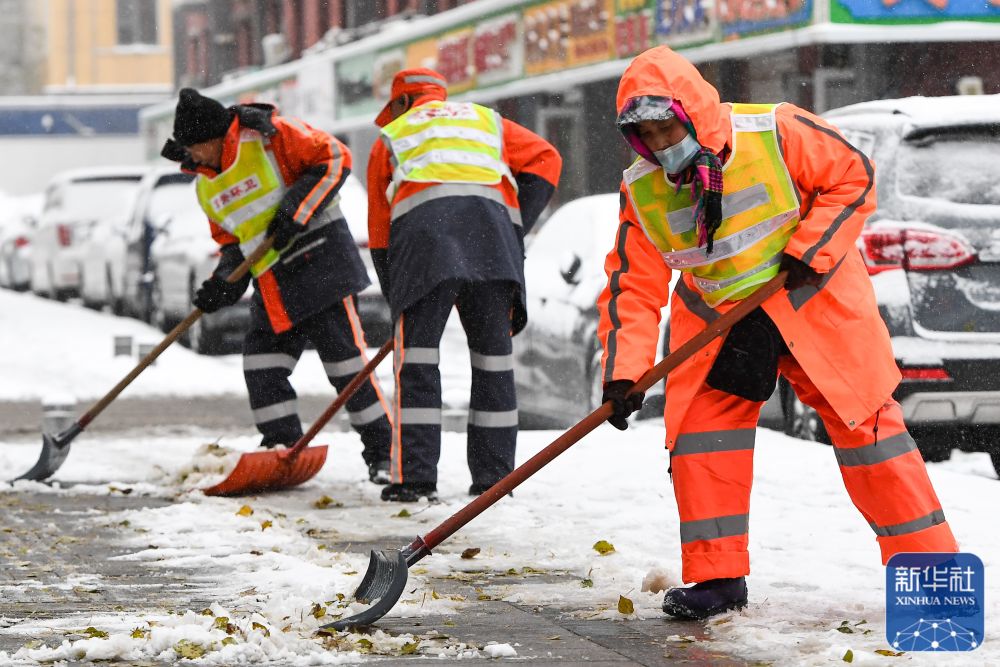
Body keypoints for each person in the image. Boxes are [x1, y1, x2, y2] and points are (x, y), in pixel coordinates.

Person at [598, 46, 959, 620]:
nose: (662, 143)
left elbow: (853, 177)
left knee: (870, 433)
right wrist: (623, 374)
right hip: (722, 321)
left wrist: (808, 250)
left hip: (810, 301)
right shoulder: (641, 188)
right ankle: (717, 577)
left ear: (691, 113)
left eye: (669, 127)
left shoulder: (776, 130)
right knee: (700, 437)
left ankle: (932, 577)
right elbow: (631, 287)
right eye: (647, 134)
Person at [160, 88, 393, 484]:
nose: (193, 158)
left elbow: (335, 158)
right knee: (262, 367)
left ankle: (385, 455)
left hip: (320, 269)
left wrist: (294, 210)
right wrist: (222, 286)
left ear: (215, 138)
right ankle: (283, 452)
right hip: (273, 287)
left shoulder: (272, 136)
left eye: (195, 148)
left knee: (347, 369)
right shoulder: (205, 185)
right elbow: (234, 244)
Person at [368, 68, 562, 502]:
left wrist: (394, 292)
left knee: (416, 364)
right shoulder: (487, 122)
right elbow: (548, 158)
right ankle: (494, 480)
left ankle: (414, 481)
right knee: (494, 364)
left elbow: (380, 231)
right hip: (493, 246)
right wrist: (515, 228)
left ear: (401, 102)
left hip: (423, 251)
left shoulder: (392, 136)